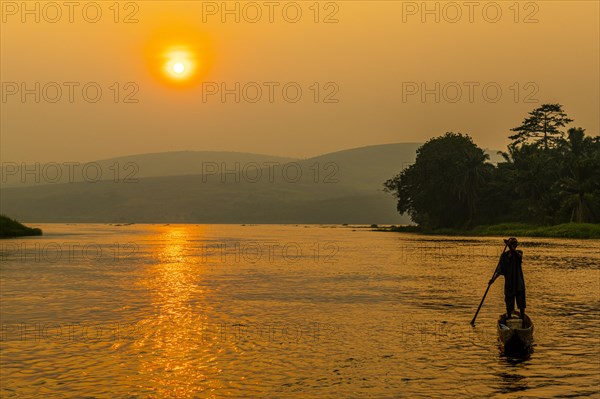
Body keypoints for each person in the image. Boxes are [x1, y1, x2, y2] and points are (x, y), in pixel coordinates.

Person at [489, 237, 526, 326]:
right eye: (511, 244)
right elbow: (499, 270)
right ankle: (509, 319)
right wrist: (493, 279)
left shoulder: (519, 253)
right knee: (509, 303)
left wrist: (509, 245)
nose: (513, 245)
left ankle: (523, 321)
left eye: (514, 244)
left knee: (521, 304)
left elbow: (518, 256)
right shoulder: (504, 256)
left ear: (516, 245)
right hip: (509, 283)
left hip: (519, 283)